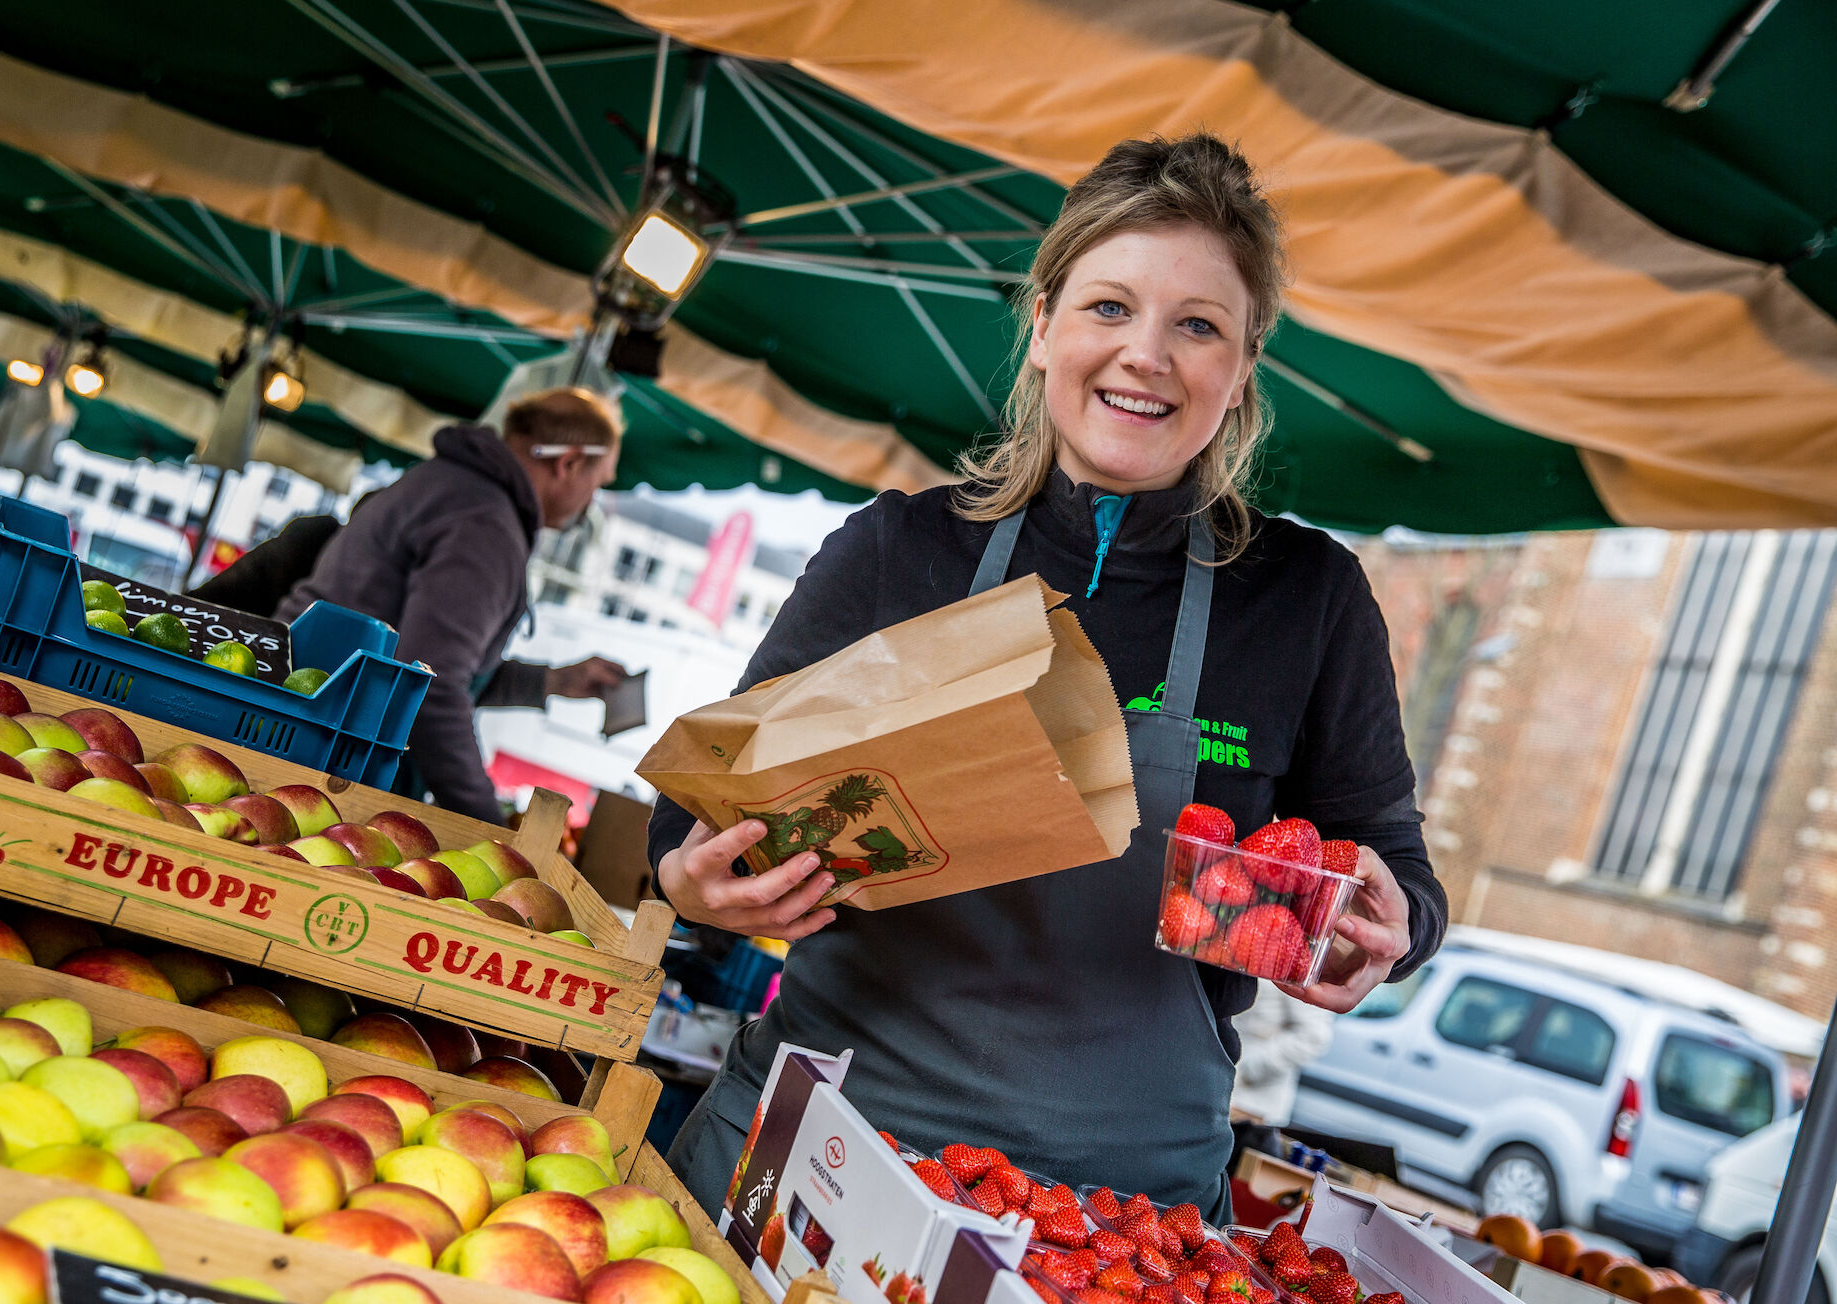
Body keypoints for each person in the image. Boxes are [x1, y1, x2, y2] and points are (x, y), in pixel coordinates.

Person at [646, 134, 1448, 1221]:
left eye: (1196, 325)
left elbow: (1392, 871)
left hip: (1119, 1231)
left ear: (1242, 366)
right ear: (1042, 328)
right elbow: (697, 814)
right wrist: (698, 884)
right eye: (1108, 307)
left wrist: (1388, 925)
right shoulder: (898, 549)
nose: (1144, 356)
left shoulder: (1306, 599)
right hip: (819, 1160)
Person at [272, 388, 628, 820]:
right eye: (599, 481)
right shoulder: (485, 525)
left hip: (302, 726)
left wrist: (551, 682)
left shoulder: (448, 484)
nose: (592, 499)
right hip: (326, 761)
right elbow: (430, 687)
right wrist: (487, 827)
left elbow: (435, 666)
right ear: (569, 463)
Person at [1230, 981, 1334, 1126]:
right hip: (1220, 1089)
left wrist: (1241, 1071)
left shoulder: (1302, 965)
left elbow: (1311, 1038)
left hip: (1253, 1104)